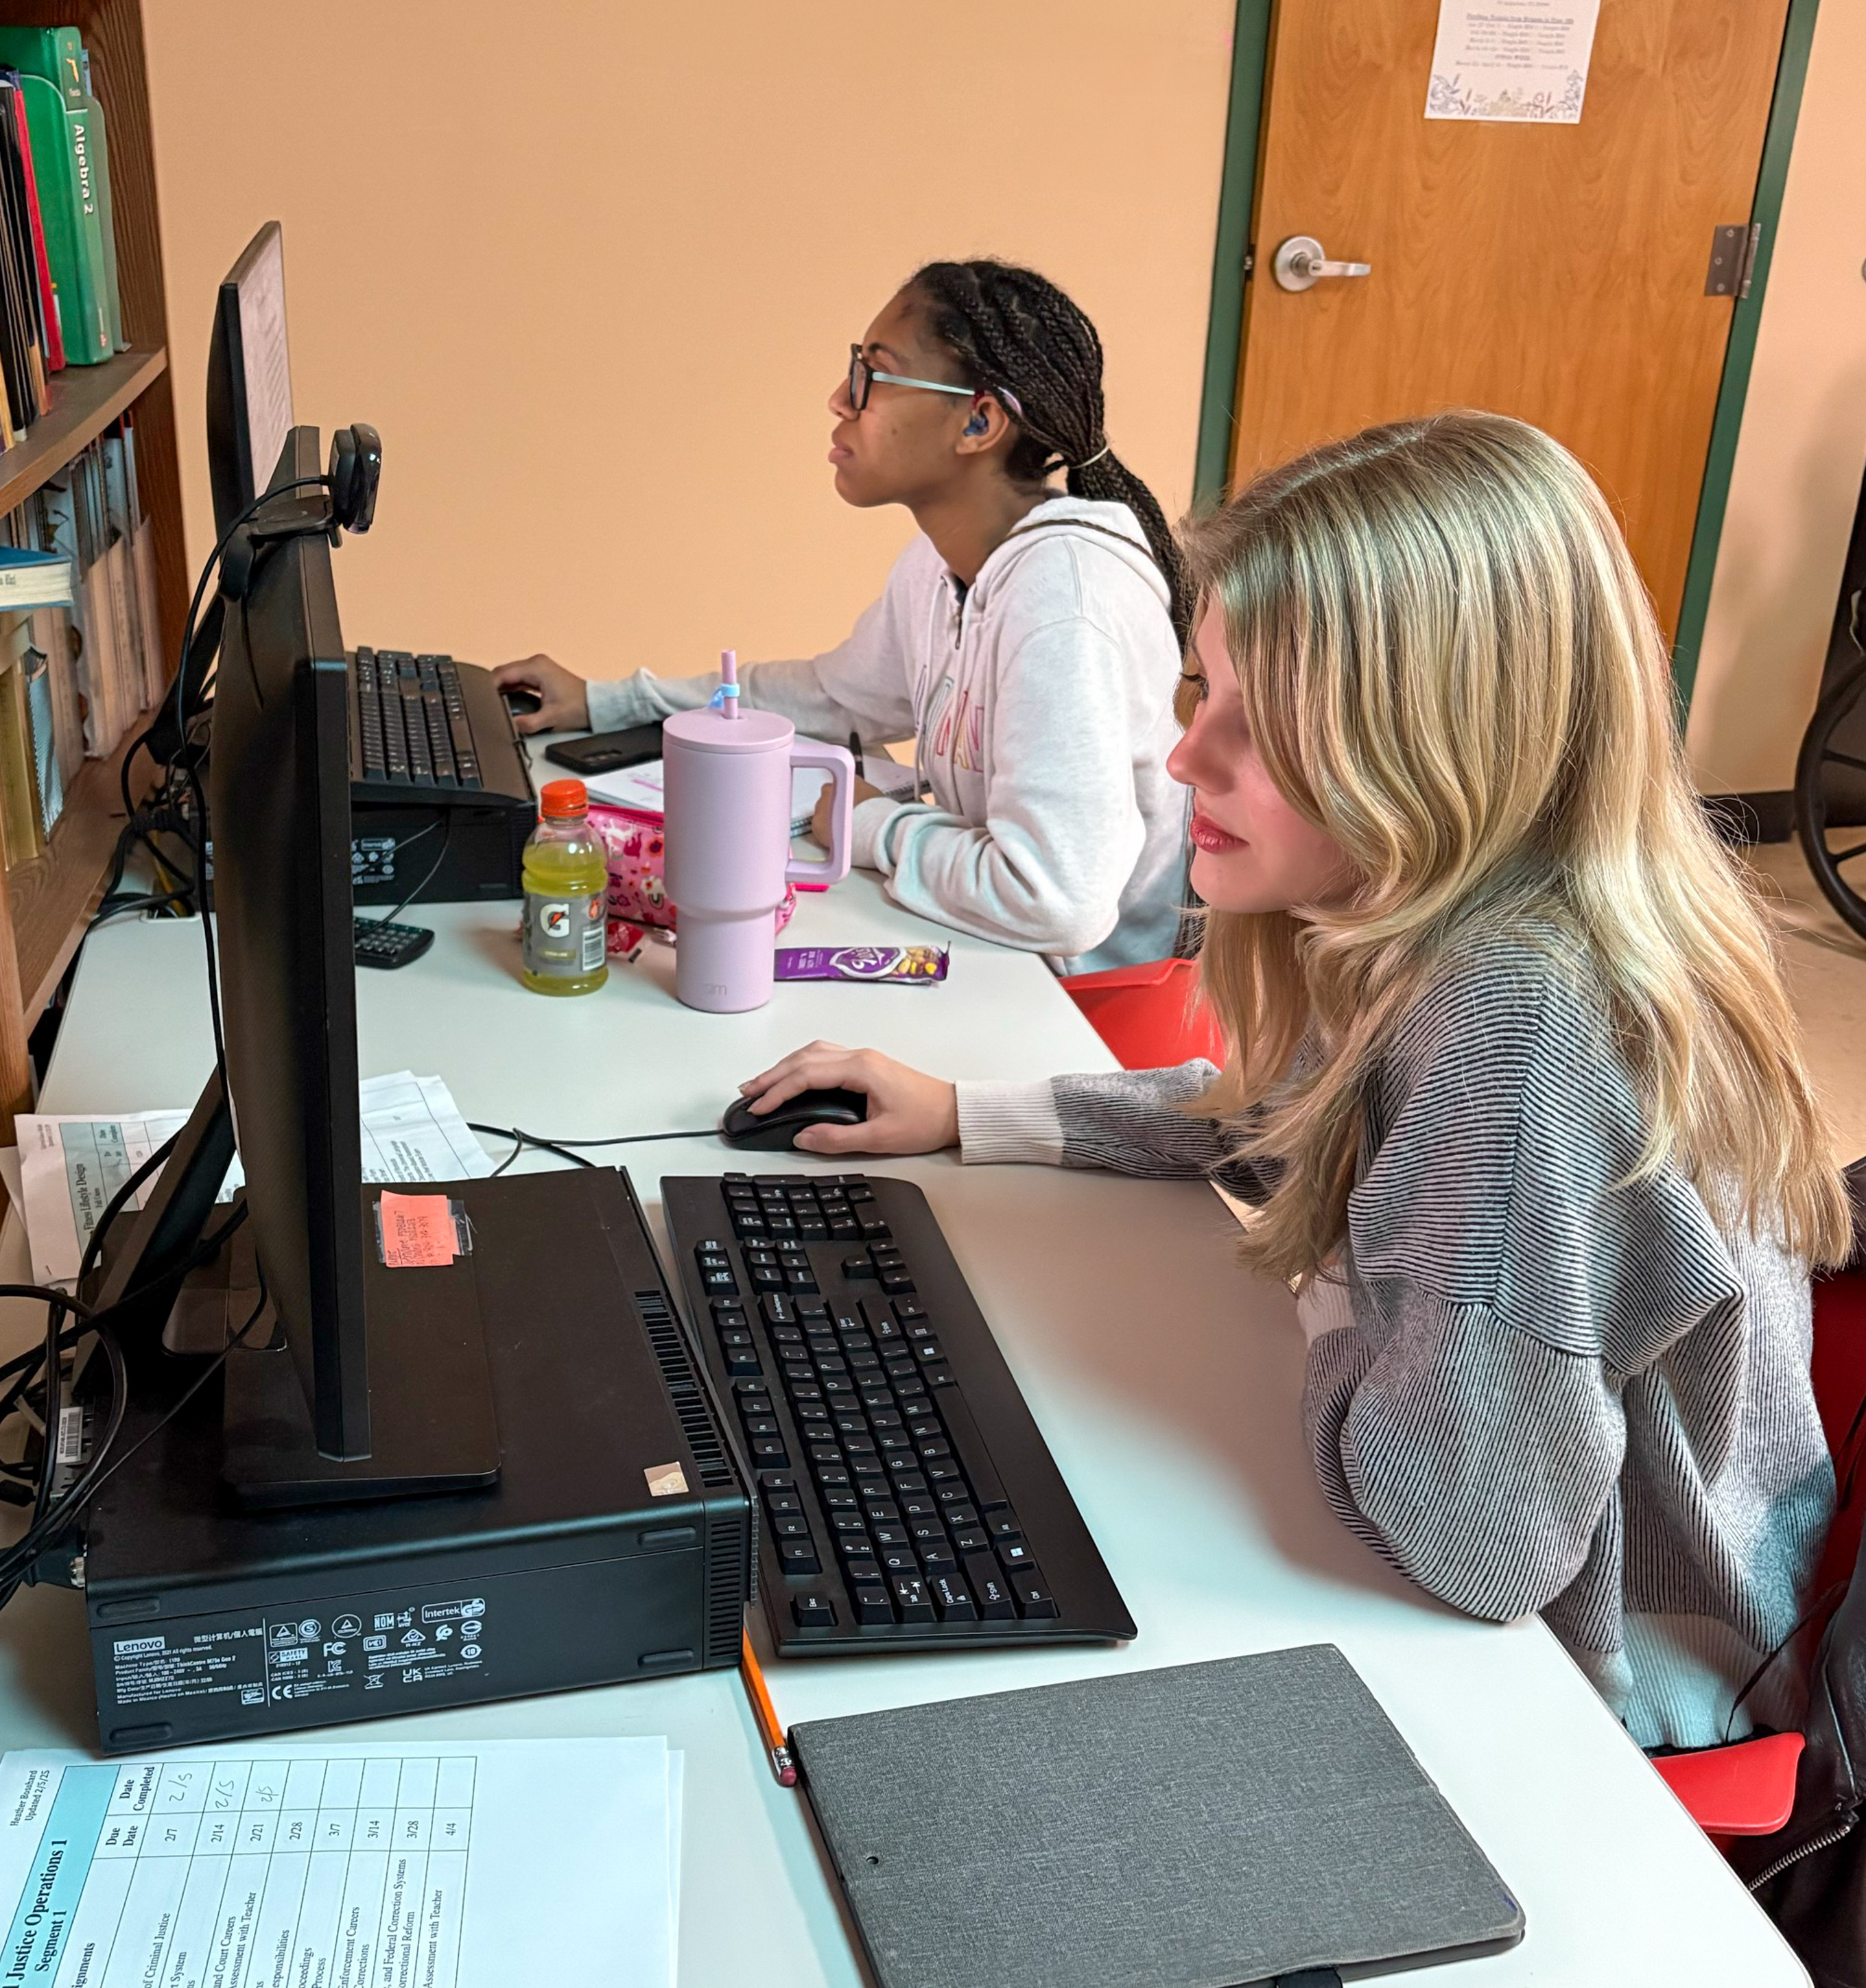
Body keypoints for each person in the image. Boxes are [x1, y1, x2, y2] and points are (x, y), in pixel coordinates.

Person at [737, 412, 1852, 1752]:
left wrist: (1327, 1296)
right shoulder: (1463, 929)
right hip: (1536, 1578)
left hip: (1618, 1694)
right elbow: (1293, 1121)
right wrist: (978, 1114)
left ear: (1435, 751)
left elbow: (1475, 1547)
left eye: (1262, 728)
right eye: (1205, 692)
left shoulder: (1523, 1024)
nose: (1186, 757)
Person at [491, 260, 1191, 973]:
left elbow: (1056, 900)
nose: (838, 399)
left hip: (1080, 1022)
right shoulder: (942, 565)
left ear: (979, 421)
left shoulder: (1065, 604)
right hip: (991, 959)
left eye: (873, 377)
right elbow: (833, 698)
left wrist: (866, 825)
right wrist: (608, 702)